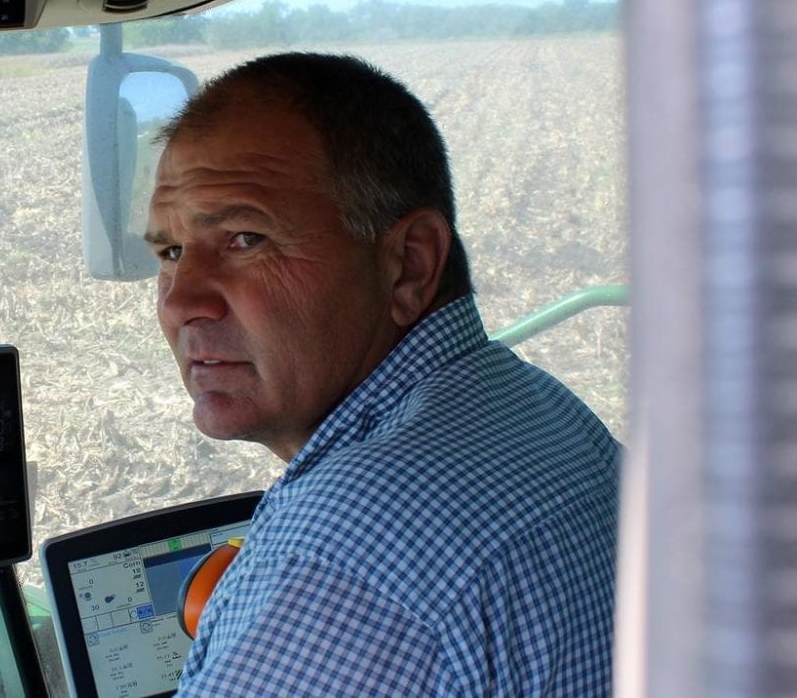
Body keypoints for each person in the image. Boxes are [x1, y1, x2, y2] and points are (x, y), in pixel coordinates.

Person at [144, 52, 621, 696]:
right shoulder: (540, 411)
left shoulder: (347, 560)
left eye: (245, 239)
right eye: (171, 252)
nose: (180, 301)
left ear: (410, 265)